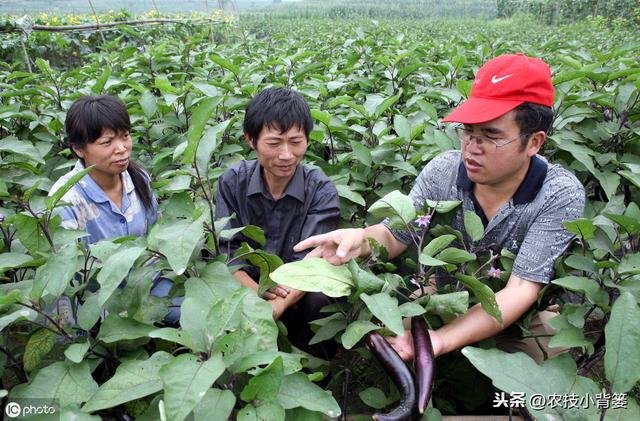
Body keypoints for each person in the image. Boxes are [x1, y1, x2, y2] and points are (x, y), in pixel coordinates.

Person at [294, 53, 586, 364]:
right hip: (449, 296)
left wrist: (440, 340)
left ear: (533, 143)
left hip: (526, 316)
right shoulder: (444, 170)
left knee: (542, 370)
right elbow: (398, 234)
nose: (472, 147)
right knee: (393, 335)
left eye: (490, 136)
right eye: (468, 132)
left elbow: (521, 290)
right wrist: (360, 240)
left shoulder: (558, 193)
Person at [215, 87, 341, 359]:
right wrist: (255, 296)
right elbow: (227, 253)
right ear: (251, 140)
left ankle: (315, 369)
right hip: (246, 289)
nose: (286, 155)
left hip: (299, 294)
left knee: (322, 300)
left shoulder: (320, 190)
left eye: (296, 142)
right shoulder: (232, 182)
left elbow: (316, 259)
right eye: (274, 143)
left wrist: (278, 306)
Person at [49, 95, 180, 324]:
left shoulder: (138, 179)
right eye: (106, 143)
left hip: (147, 286)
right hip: (97, 304)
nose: (121, 149)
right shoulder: (66, 200)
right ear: (79, 149)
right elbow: (62, 281)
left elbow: (155, 237)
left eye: (125, 136)